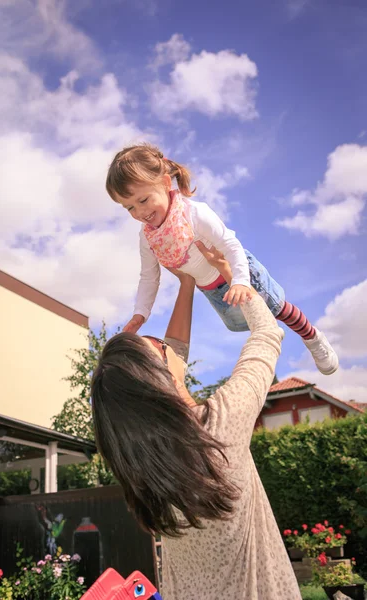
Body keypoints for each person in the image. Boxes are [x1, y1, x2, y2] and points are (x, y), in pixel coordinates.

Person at [91, 243, 302, 600]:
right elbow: (267, 334)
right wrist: (236, 277)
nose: (167, 343)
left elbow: (173, 359)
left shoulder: (145, 465)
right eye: (158, 344)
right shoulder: (218, 426)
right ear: (161, 380)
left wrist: (187, 285)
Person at [106, 143, 338, 376]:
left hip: (239, 272)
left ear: (166, 184)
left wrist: (240, 281)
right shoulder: (147, 237)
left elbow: (231, 245)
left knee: (277, 308)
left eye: (143, 200)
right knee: (244, 323)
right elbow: (149, 277)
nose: (139, 212)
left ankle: (312, 336)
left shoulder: (194, 213)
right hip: (211, 289)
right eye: (129, 208)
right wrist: (140, 314)